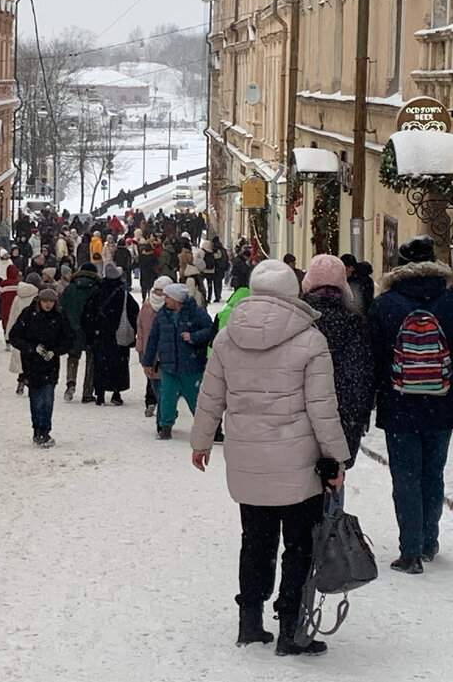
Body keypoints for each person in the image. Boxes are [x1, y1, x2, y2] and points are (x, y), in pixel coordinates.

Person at [189, 259, 350, 656]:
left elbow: (210, 396)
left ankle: (250, 621)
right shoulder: (310, 339)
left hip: (248, 461)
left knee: (255, 542)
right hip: (298, 465)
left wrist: (201, 442)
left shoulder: (227, 337)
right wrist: (336, 459)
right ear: (294, 291)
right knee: (299, 546)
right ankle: (291, 629)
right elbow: (322, 408)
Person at [368, 235, 453, 574]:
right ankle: (428, 541)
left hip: (398, 406)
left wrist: (365, 407)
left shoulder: (384, 305)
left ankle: (410, 552)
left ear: (400, 266)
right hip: (441, 405)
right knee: (433, 475)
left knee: (406, 477)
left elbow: (374, 363)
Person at [302, 255, 374, 470]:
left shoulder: (299, 317)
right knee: (336, 471)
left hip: (301, 410)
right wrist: (361, 414)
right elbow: (360, 373)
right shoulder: (353, 320)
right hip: (341, 410)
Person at [143, 282, 213, 440]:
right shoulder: (162, 314)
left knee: (196, 399)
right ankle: (165, 427)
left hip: (191, 365)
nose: (164, 300)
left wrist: (193, 337)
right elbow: (153, 338)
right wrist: (148, 362)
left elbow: (210, 330)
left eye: (167, 297)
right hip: (168, 365)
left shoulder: (196, 313)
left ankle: (208, 429)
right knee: (167, 397)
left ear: (176, 299)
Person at [8, 288, 75, 447]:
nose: (48, 305)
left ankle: (44, 431)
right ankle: (38, 431)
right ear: (39, 301)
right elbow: (14, 336)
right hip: (32, 363)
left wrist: (55, 351)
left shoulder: (59, 316)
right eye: (45, 301)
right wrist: (32, 348)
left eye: (51, 302)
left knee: (48, 399)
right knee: (36, 399)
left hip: (50, 364)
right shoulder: (28, 314)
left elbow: (69, 338)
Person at [80, 262, 139, 407]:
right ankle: (116, 393)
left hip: (100, 335)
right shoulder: (124, 295)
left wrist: (91, 333)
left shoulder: (97, 293)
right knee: (119, 364)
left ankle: (100, 394)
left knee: (100, 364)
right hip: (119, 335)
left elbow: (86, 315)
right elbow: (134, 314)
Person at [60, 262, 100, 402]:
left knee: (73, 357)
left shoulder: (70, 288)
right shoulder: (97, 288)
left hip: (72, 329)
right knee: (91, 360)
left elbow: (61, 307)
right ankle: (87, 392)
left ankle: (71, 382)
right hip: (91, 330)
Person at [135, 276, 172, 419]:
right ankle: (152, 402)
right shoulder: (147, 305)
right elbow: (140, 326)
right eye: (156, 290)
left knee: (165, 381)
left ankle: (165, 409)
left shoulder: (171, 307)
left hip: (165, 350)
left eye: (161, 291)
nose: (158, 293)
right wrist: (140, 346)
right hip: (148, 348)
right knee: (152, 378)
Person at [6, 272, 42, 395]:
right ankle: (32, 383)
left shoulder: (18, 296)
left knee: (21, 359)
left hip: (20, 332)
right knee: (34, 360)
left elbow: (12, 316)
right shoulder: (38, 297)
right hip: (35, 332)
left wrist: (8, 334)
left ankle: (21, 380)